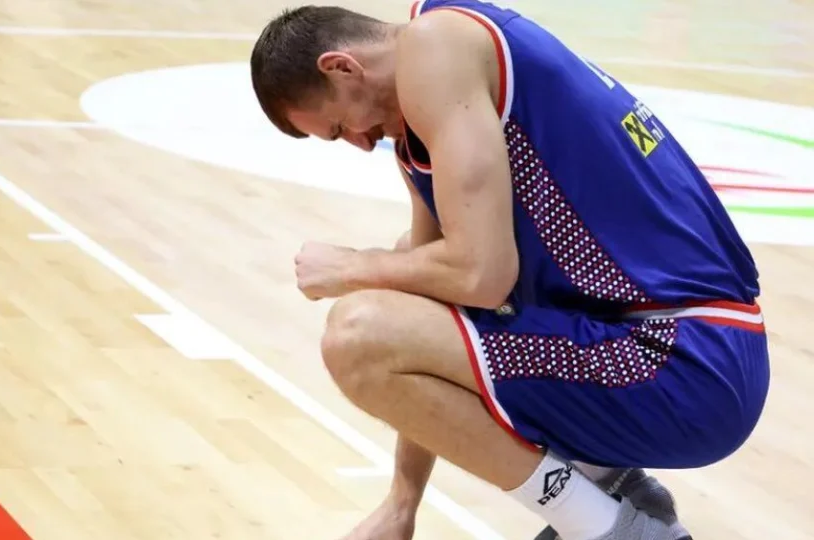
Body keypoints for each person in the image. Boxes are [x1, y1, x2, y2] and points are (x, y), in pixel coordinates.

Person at [249, 2, 770, 539]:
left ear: (342, 67)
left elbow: (481, 277)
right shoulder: (428, 102)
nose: (360, 143)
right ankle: (609, 490)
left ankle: (607, 529)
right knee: (408, 267)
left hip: (685, 358)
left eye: (339, 128)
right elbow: (435, 301)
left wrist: (355, 266)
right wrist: (402, 503)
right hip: (681, 347)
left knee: (357, 331)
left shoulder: (435, 47)